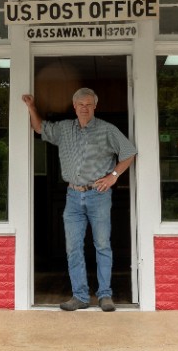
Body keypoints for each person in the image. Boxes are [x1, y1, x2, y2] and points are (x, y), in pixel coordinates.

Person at [22, 88, 137, 312]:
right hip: (72, 196)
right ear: (74, 107)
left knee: (102, 245)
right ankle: (80, 296)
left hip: (98, 195)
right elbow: (39, 128)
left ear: (95, 106)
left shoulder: (107, 130)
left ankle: (105, 295)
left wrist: (113, 176)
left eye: (88, 104)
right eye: (80, 104)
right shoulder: (64, 129)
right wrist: (32, 108)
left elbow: (129, 152)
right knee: (73, 247)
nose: (84, 108)